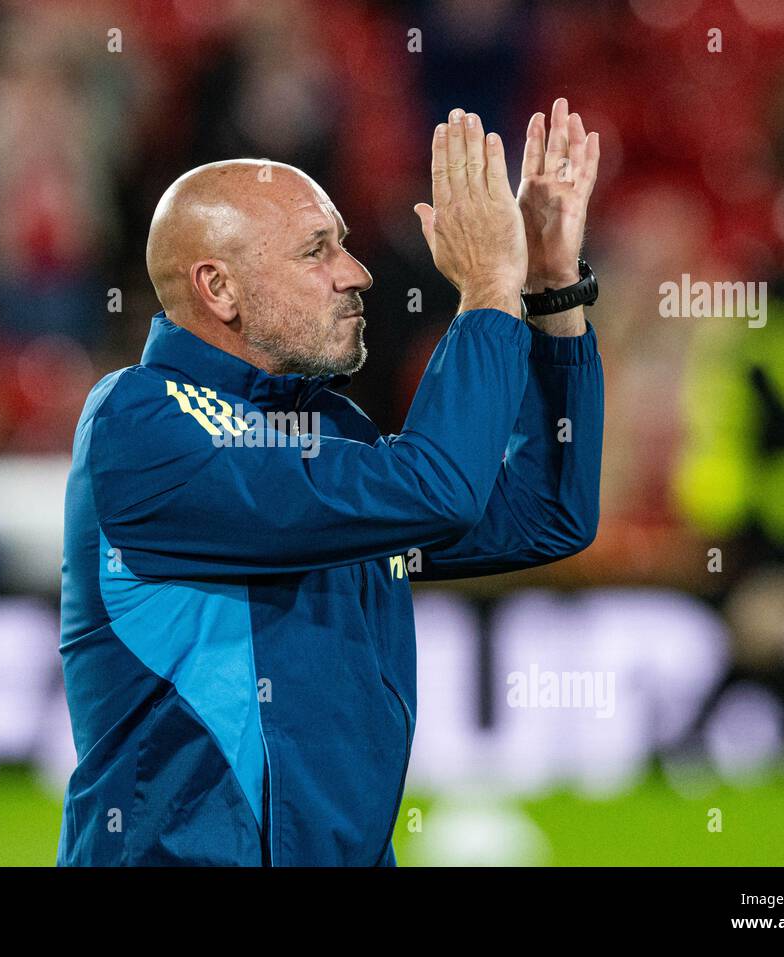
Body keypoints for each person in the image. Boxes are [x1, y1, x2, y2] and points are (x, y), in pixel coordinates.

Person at [57, 102, 604, 865]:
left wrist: (548, 290)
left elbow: (548, 513)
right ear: (219, 288)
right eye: (318, 251)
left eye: (342, 245)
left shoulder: (329, 427)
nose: (357, 273)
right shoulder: (142, 426)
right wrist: (487, 290)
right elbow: (437, 486)